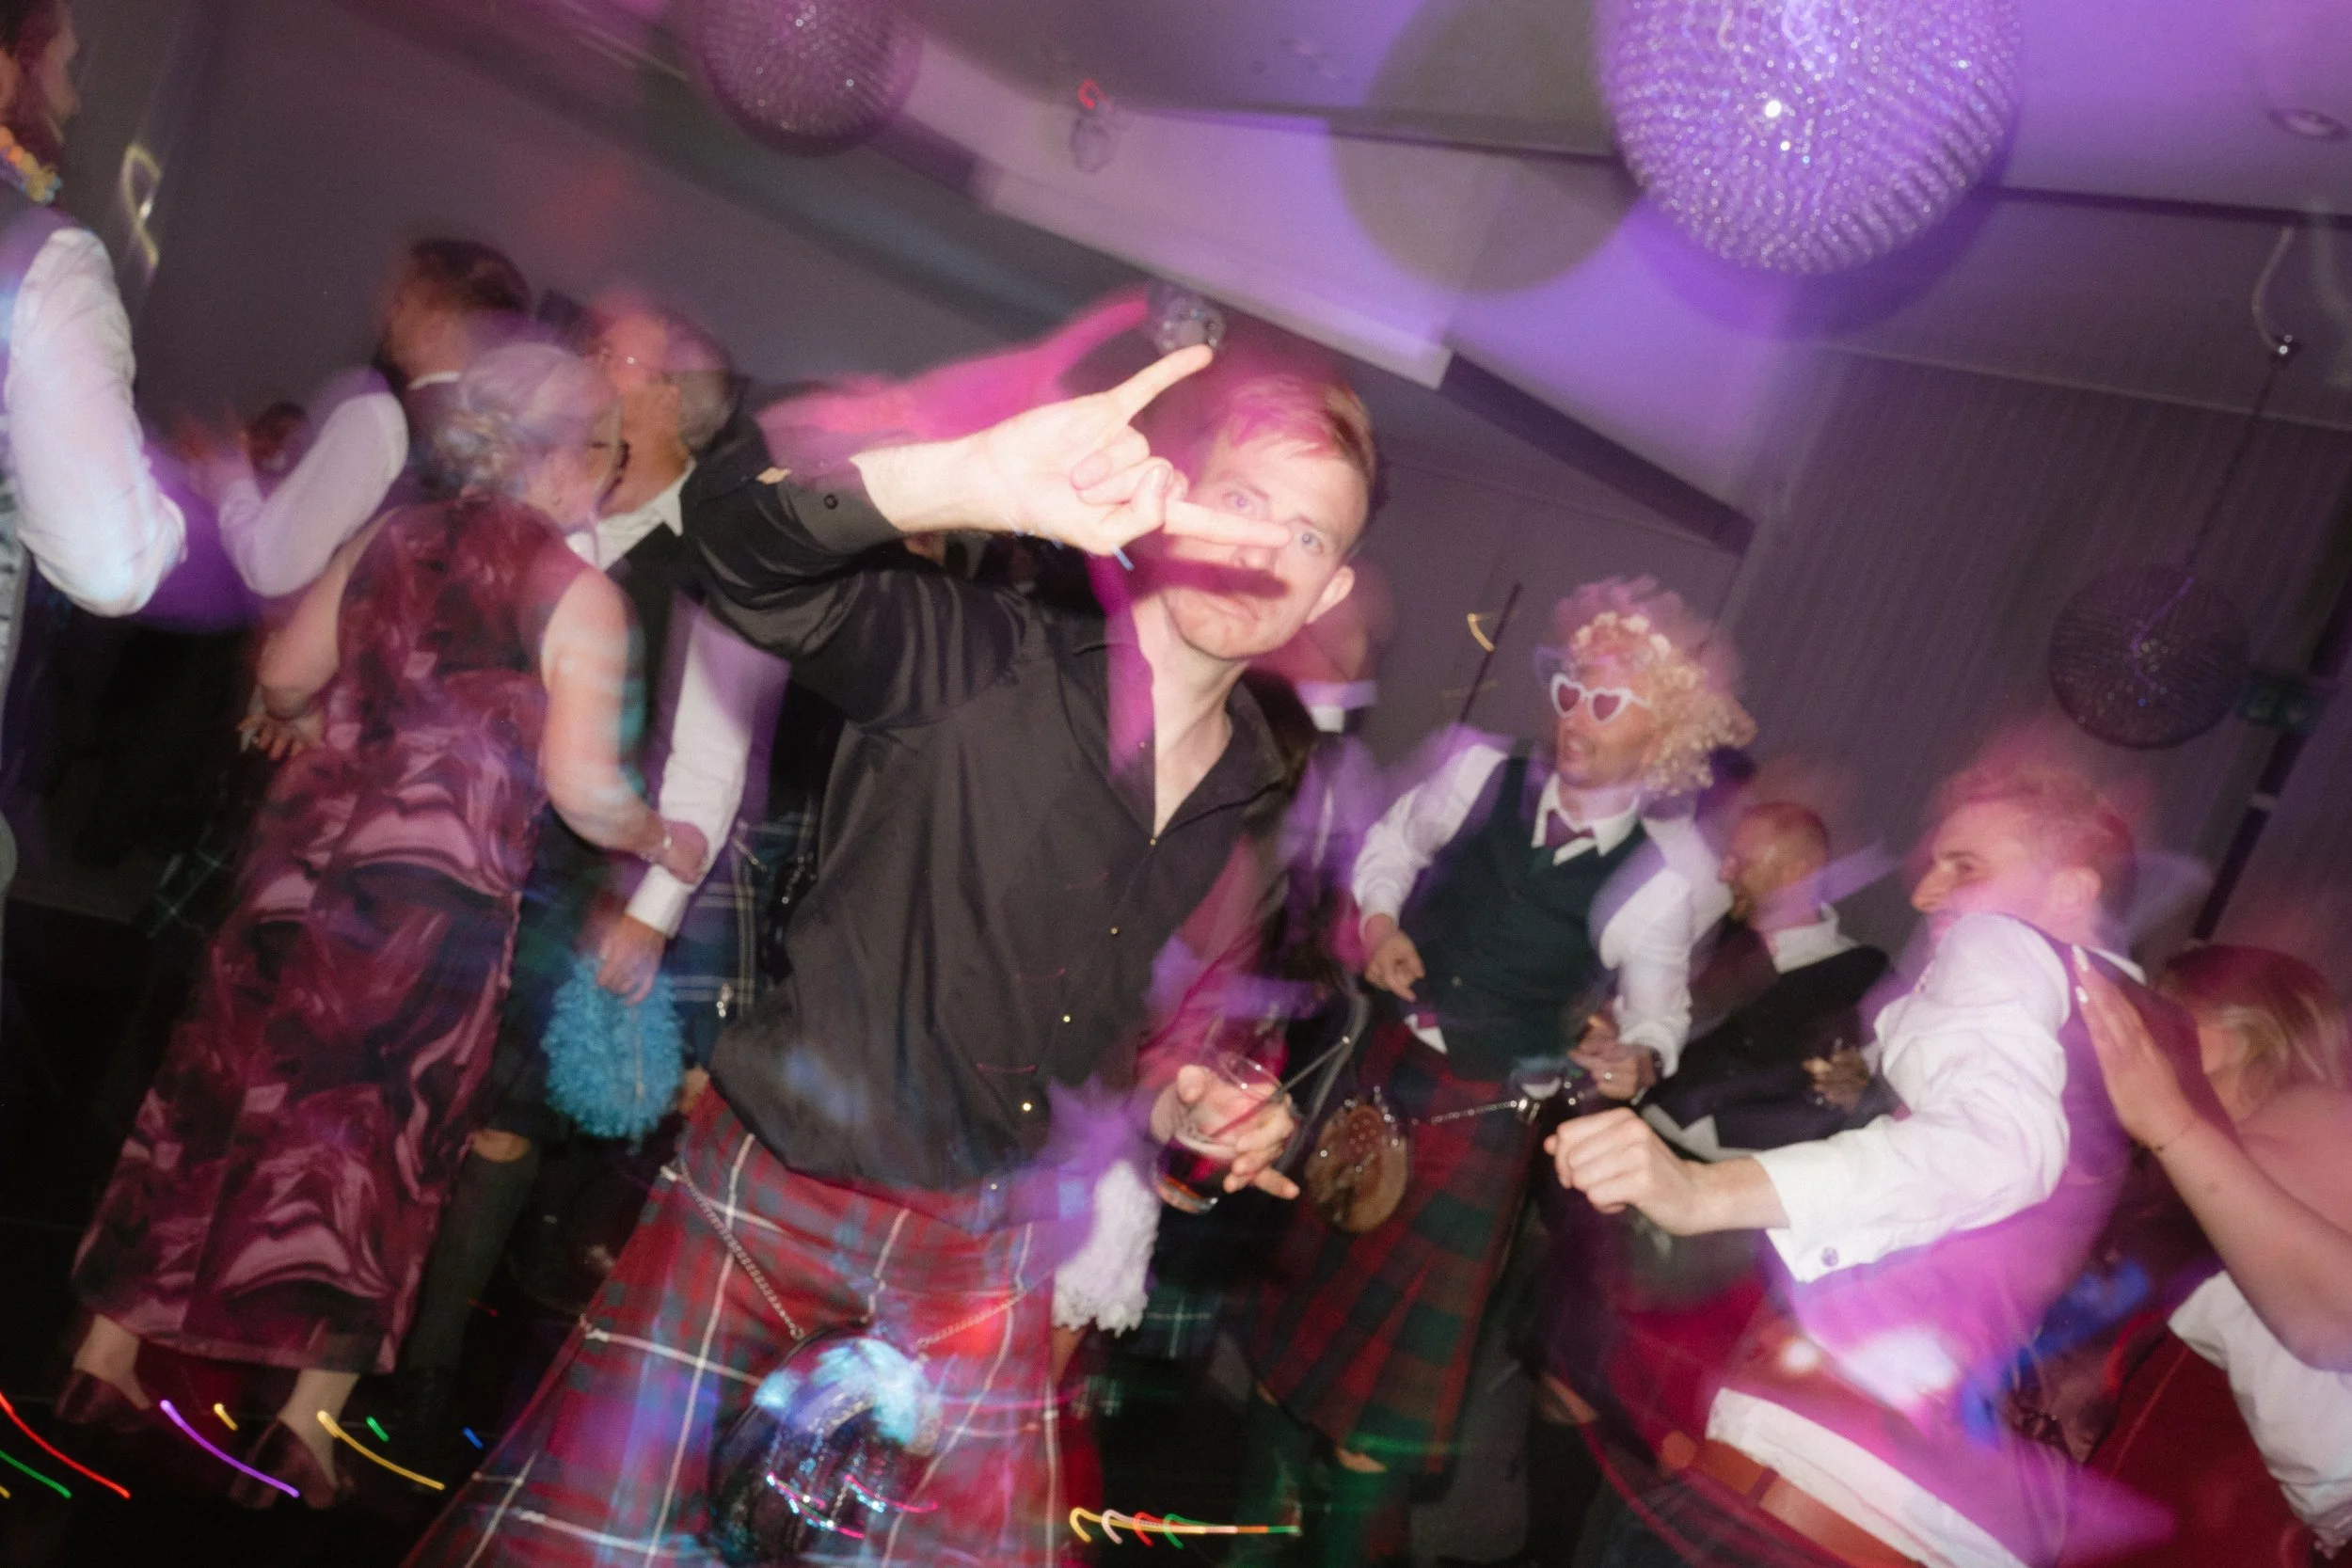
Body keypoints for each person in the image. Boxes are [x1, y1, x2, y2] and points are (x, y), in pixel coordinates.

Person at [403, 313, 1373, 1568]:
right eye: (1245, 498)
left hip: (985, 1260)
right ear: (1171, 497)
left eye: (1309, 534)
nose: (1267, 548)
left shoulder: (1249, 793)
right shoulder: (970, 655)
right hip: (781, 1203)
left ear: (1331, 586)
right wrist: (964, 476)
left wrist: (1181, 1101)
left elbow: (1123, 1032)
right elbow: (730, 545)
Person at [61, 343, 707, 1508]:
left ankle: (102, 1357)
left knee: (212, 1100)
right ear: (565, 458)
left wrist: (296, 716)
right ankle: (303, 1428)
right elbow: (581, 793)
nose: (608, 480)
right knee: (369, 1149)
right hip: (426, 909)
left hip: (295, 874)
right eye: (606, 457)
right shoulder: (579, 592)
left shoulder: (387, 539)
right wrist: (666, 840)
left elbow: (287, 670)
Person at [1552, 762, 2217, 1568]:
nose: (1926, 893)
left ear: (2071, 891)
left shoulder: (2000, 941)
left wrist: (1699, 1191)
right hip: (1965, 1529)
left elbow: (1992, 1147)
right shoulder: (2169, 1055)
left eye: (1965, 866)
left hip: (1807, 1491)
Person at [1240, 581, 1753, 1568]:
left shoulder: (1669, 871)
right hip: (1377, 1070)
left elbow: (1655, 1011)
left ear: (1664, 732)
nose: (1573, 716)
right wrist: (1382, 920)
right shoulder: (1474, 769)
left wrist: (1636, 1054)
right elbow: (1389, 844)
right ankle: (1247, 1546)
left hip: (1479, 1121)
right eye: (1569, 689)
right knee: (1280, 1339)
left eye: (1607, 703)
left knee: (1371, 1422)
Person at [392, 293, 744, 1449]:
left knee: (500, 1123)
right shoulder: (546, 504)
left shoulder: (719, 562)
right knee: (408, 1090)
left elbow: (707, 759)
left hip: (575, 882)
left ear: (666, 408)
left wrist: (649, 914)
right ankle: (366, 1328)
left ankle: (424, 1370)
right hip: (454, 854)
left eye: (618, 358)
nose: (591, 361)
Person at [0, 0, 189, 958]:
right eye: (65, 66)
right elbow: (113, 562)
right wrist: (179, 514)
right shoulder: (37, 257)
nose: (73, 103)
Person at [2062, 944, 2352, 1562]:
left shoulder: (2314, 1110)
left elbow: (2339, 1320)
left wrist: (2167, 1119)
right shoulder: (2192, 1167)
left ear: (2248, 1031)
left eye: (2166, 1012)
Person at [209, 236, 528, 599]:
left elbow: (270, 566)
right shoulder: (499, 454)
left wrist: (228, 479)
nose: (388, 314)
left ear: (435, 327)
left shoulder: (380, 420)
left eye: (402, 302)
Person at [1642, 801, 1892, 1160]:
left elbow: (1877, 1099)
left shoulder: (1866, 976)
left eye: (1742, 862)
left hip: (1733, 1193)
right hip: (1633, 1141)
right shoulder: (1707, 932)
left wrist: (1857, 1091)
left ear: (1796, 874)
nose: (1724, 873)